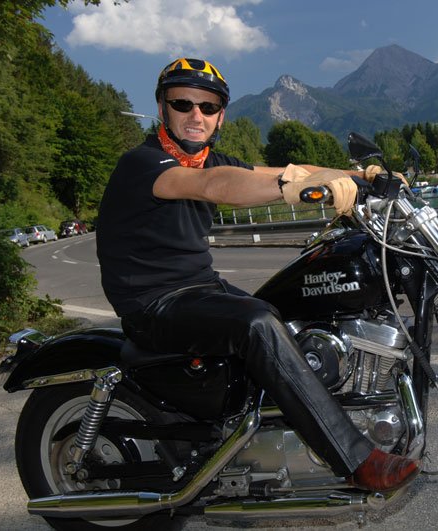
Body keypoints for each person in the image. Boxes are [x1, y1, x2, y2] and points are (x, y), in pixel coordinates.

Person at [96, 58, 420, 492]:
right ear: (162, 109)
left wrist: (360, 177)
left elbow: (284, 171)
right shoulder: (143, 163)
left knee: (290, 312)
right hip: (154, 304)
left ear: (220, 116)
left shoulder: (210, 159)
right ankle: (356, 459)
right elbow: (214, 185)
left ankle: (258, 438)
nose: (196, 115)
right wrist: (292, 190)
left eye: (208, 107)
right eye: (183, 104)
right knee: (257, 324)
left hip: (201, 289)